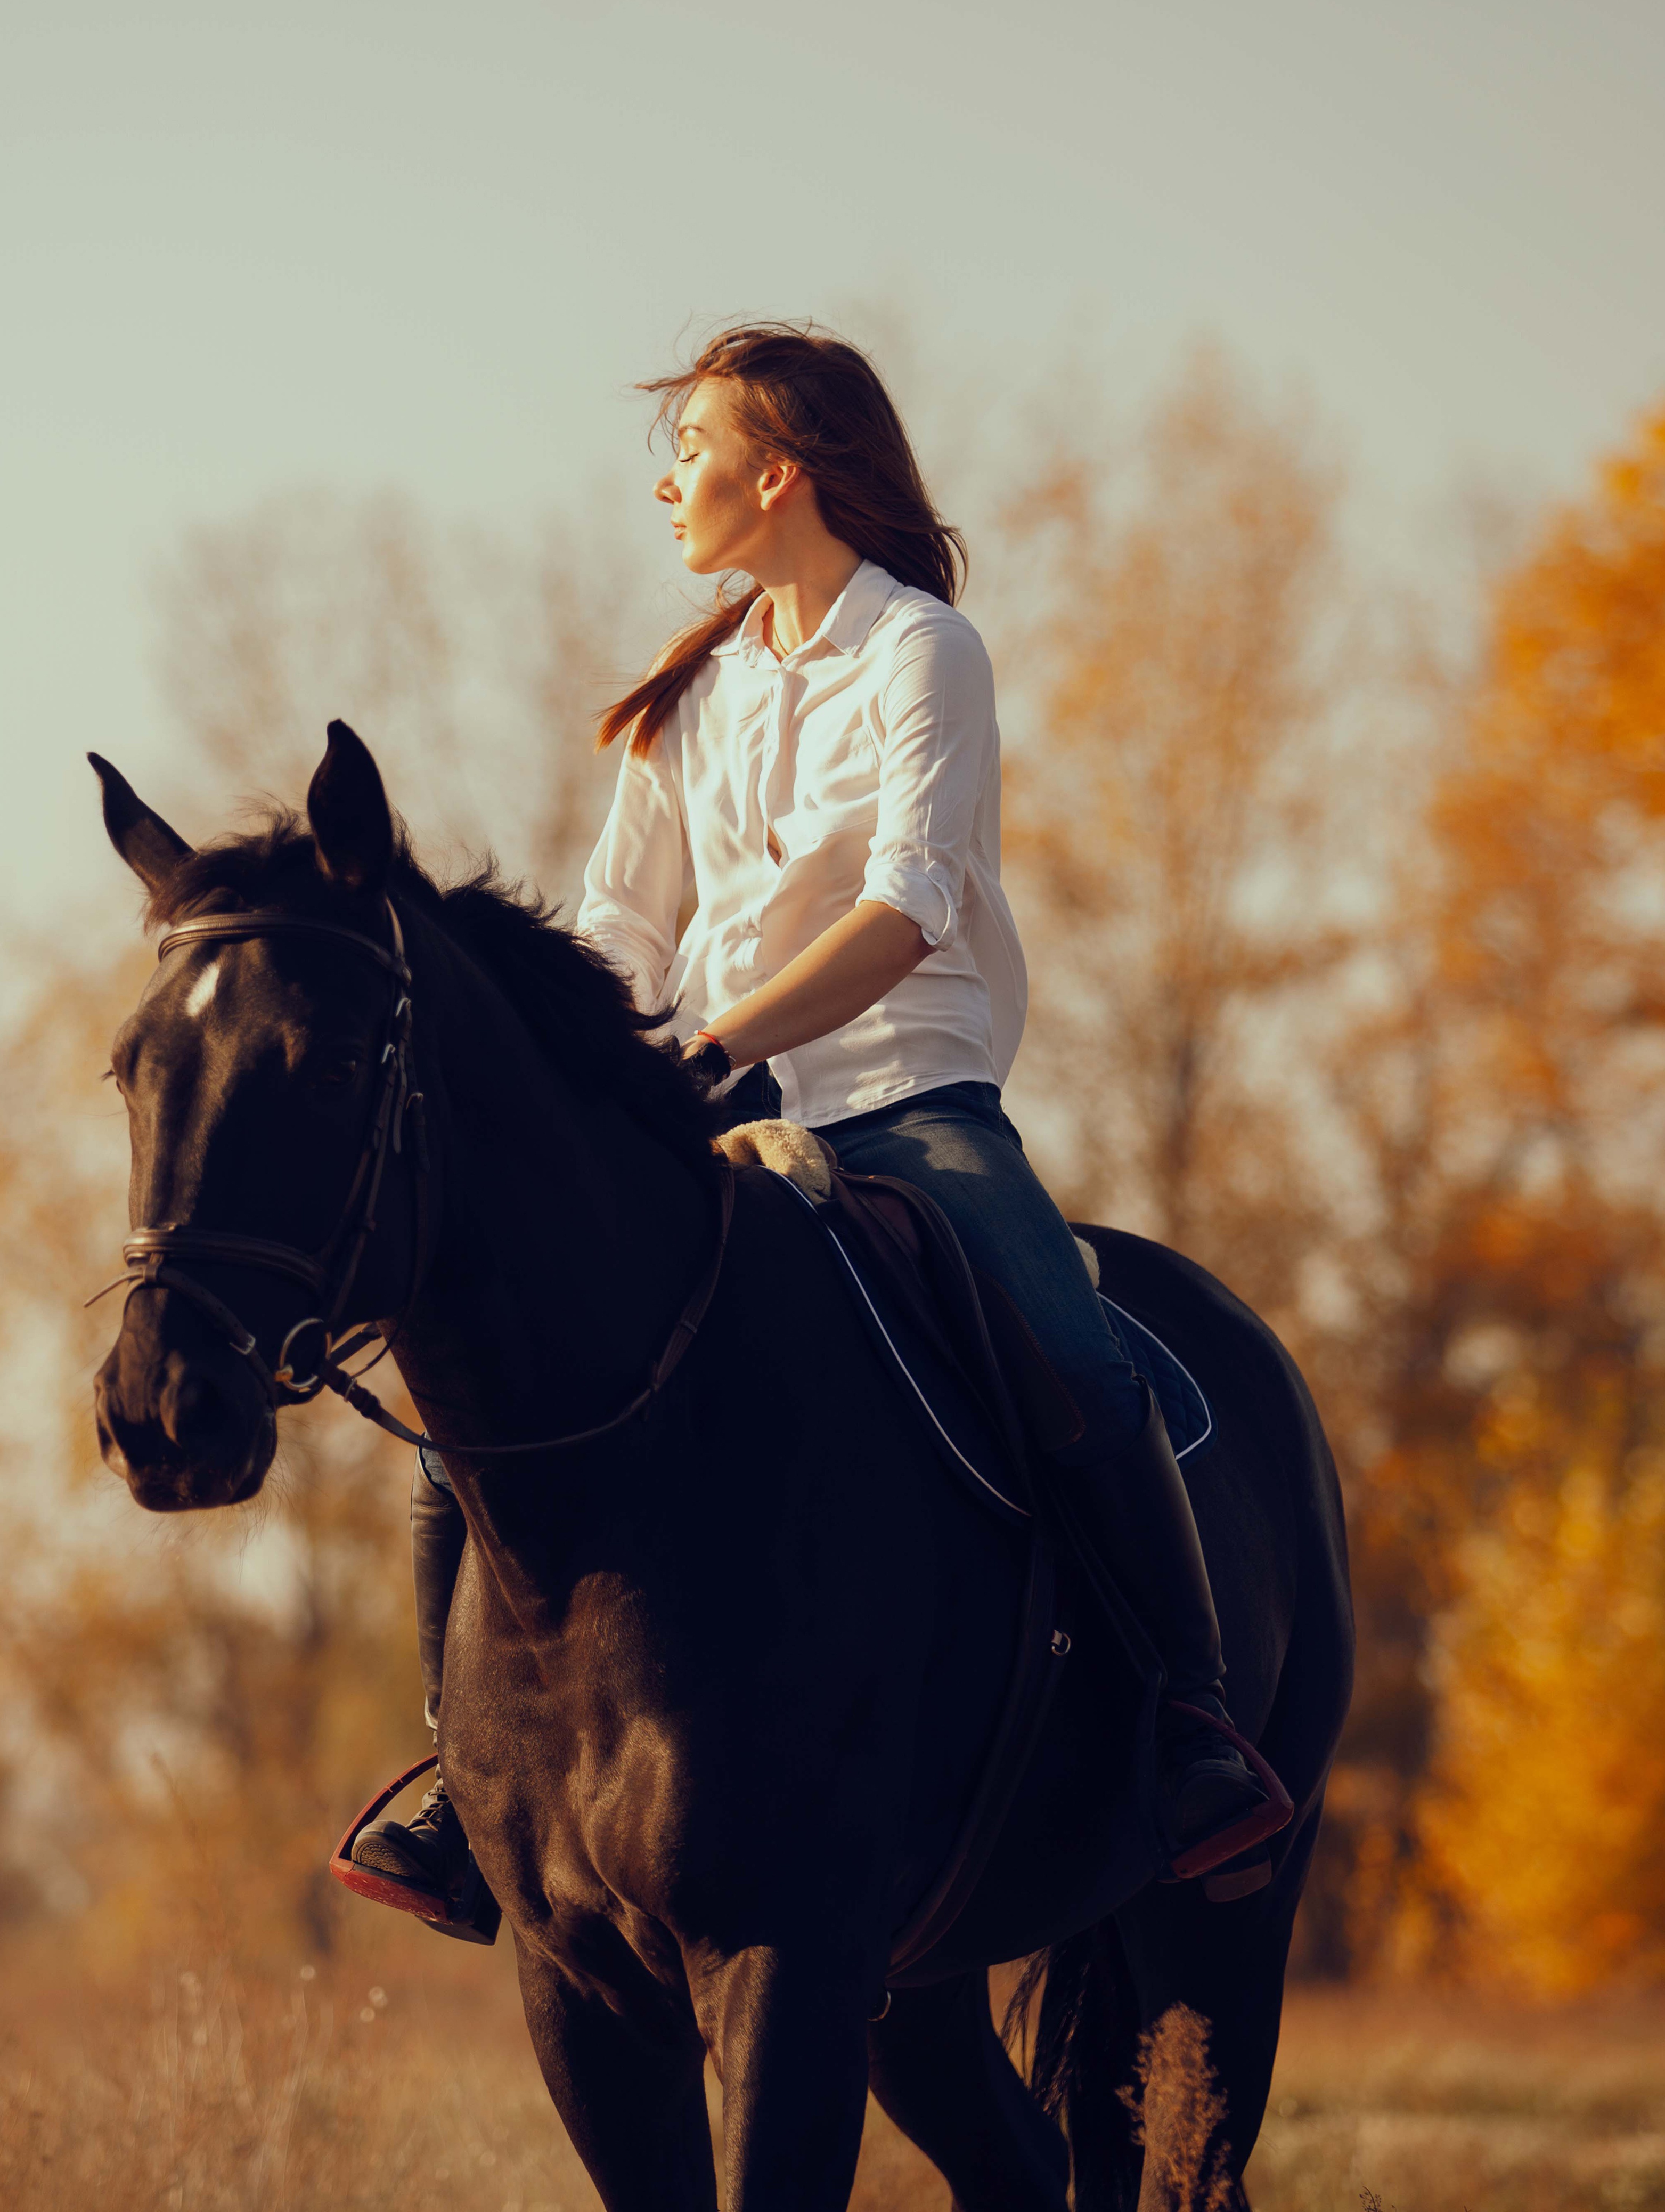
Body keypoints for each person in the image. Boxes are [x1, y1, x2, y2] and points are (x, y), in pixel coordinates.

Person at [345, 324, 1282, 1939]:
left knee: (1081, 1355)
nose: (669, 478)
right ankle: (458, 1777)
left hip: (905, 1105)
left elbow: (910, 908)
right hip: (701, 1113)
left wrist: (720, 1046)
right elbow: (619, 933)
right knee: (470, 1393)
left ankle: (1192, 1728)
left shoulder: (925, 655)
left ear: (778, 472)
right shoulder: (689, 694)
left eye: (694, 448)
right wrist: (611, 1072)